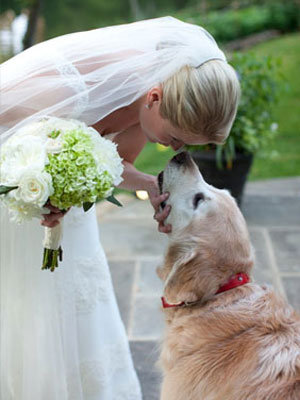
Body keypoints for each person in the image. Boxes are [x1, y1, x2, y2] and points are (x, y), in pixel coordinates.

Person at [0, 16, 240, 400]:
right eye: (176, 137)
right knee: (25, 314)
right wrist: (30, 190)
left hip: (67, 225)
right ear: (155, 98)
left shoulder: (147, 108)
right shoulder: (71, 82)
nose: (176, 150)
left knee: (74, 306)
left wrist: (150, 187)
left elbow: (112, 163)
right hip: (12, 208)